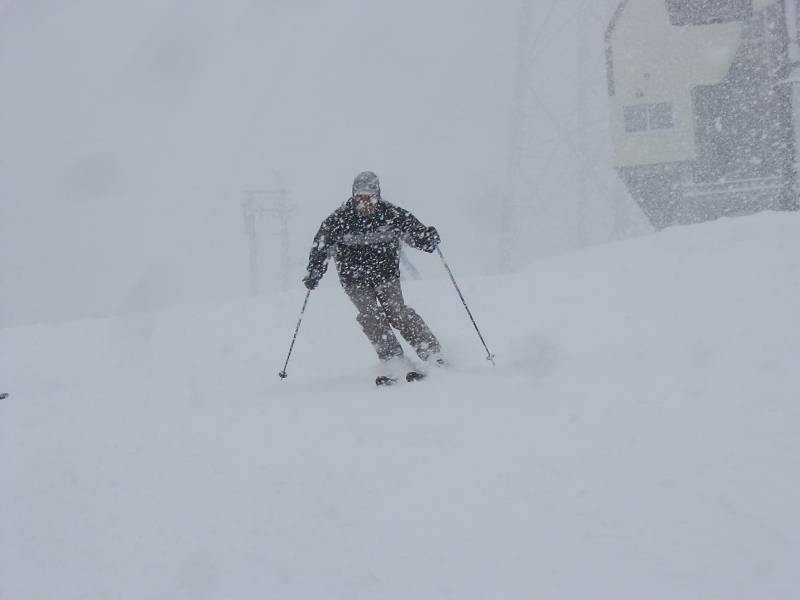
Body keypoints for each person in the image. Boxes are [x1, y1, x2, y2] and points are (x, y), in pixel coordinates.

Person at [303, 171, 444, 372]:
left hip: (386, 275)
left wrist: (427, 239)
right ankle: (393, 359)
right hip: (354, 278)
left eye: (370, 198)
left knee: (397, 313)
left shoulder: (392, 214)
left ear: (378, 196)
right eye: (360, 198)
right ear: (353, 197)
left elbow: (415, 234)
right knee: (370, 315)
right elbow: (321, 246)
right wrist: (315, 271)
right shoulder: (338, 220)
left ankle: (431, 352)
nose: (365, 204)